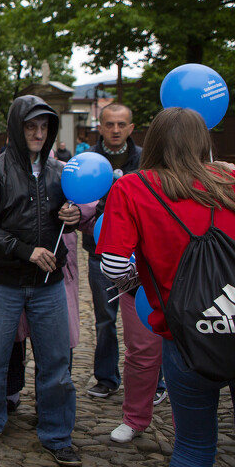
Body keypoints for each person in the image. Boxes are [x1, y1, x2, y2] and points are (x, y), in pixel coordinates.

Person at [99, 106, 235, 466]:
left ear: (153, 140)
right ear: (203, 140)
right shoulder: (231, 181)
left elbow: (112, 263)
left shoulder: (133, 187)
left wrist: (142, 284)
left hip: (186, 332)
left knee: (193, 446)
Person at [0, 95, 82, 467]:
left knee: (56, 366)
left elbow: (77, 216)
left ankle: (57, 434)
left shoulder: (60, 172)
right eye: (31, 126)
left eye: (44, 127)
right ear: (17, 128)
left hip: (48, 286)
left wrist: (75, 213)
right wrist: (23, 250)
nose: (37, 133)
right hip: (0, 281)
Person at [82, 104, 144, 400]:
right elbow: (78, 204)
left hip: (140, 256)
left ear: (131, 128)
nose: (116, 130)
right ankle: (106, 378)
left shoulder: (144, 159)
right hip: (101, 255)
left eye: (122, 124)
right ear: (101, 127)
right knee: (105, 319)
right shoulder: (88, 161)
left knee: (143, 317)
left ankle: (151, 381)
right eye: (110, 124)